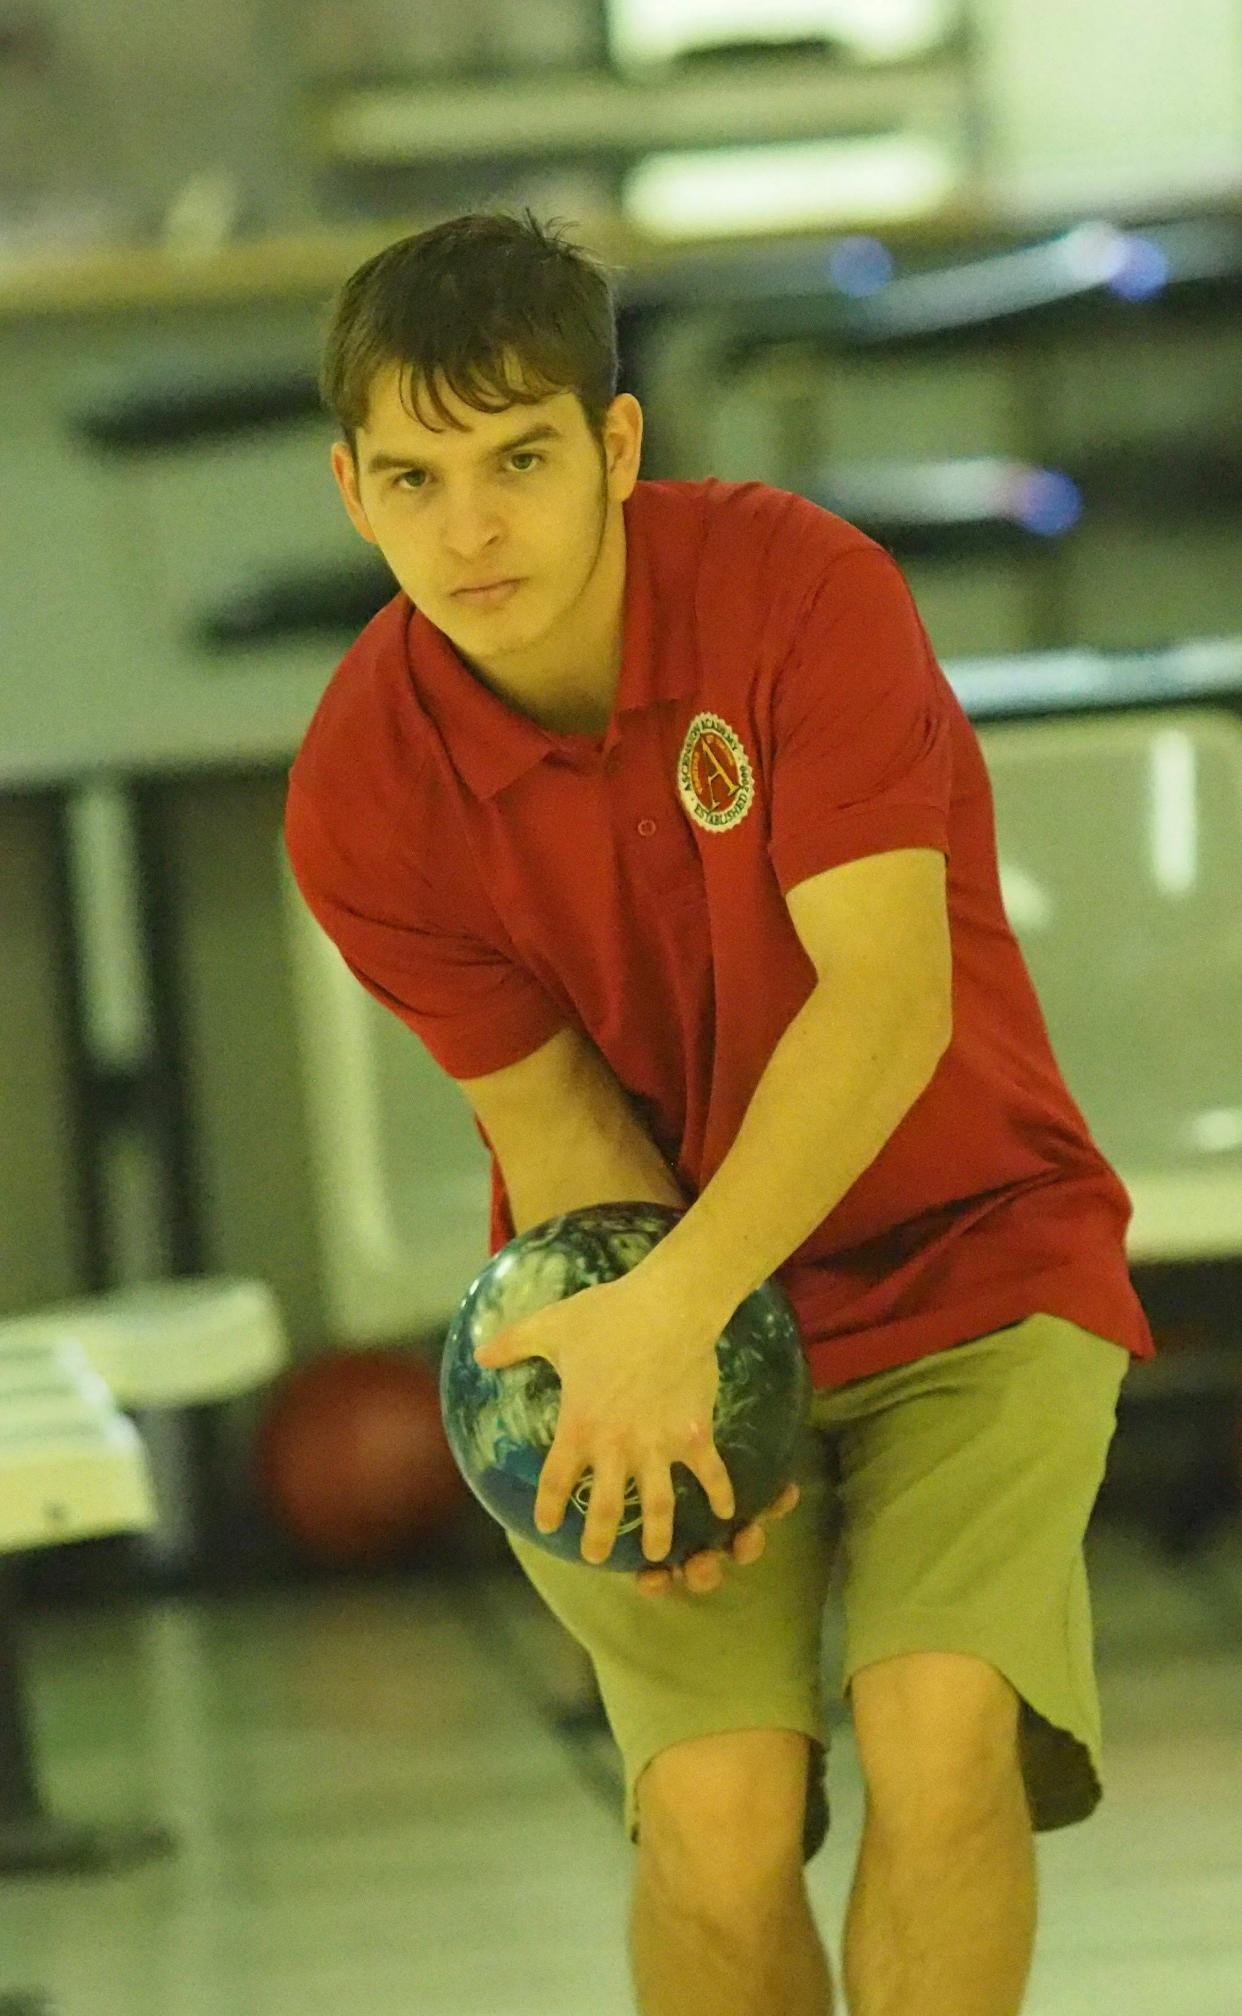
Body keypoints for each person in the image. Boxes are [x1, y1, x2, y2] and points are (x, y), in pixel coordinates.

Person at [284, 208, 1156, 2016]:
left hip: (971, 1255)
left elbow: (887, 1003)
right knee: (718, 1815)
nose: (471, 528)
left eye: (519, 457)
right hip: (635, 1286)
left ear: (615, 445)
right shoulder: (361, 790)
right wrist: (671, 1374)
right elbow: (566, 1138)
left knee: (938, 1733)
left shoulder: (796, 590)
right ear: (352, 494)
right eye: (415, 477)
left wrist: (688, 1321)